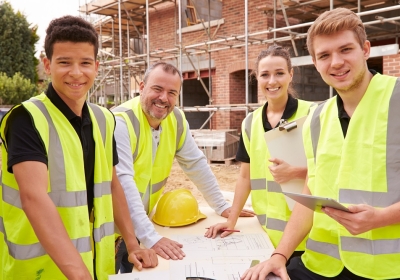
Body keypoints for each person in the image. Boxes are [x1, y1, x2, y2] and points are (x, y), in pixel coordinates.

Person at [241, 7, 400, 280]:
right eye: (324, 55)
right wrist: (280, 256)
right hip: (321, 265)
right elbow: (310, 192)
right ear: (315, 63)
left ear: (365, 49)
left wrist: (381, 218)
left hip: (387, 269)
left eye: (345, 50)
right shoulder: (315, 118)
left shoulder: (396, 100)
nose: (335, 62)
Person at [0, 16, 157, 280]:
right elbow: (33, 198)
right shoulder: (25, 119)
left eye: (85, 63)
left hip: (94, 266)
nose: (76, 72)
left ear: (96, 67)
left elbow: (112, 184)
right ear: (47, 65)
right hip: (38, 272)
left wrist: (132, 243)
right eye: (64, 62)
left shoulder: (104, 119)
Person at [112, 61, 255, 273]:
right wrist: (150, 237)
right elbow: (123, 183)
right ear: (142, 87)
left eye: (172, 92)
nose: (163, 98)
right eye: (157, 89)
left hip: (139, 223)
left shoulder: (175, 119)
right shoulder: (121, 121)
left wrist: (221, 205)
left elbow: (195, 163)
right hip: (109, 225)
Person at [204, 45, 313, 260]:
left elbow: (329, 170)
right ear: (257, 78)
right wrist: (231, 220)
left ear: (291, 75)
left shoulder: (313, 115)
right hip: (263, 235)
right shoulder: (250, 123)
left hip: (303, 236)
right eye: (265, 75)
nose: (272, 81)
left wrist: (297, 172)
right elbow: (245, 177)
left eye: (280, 73)